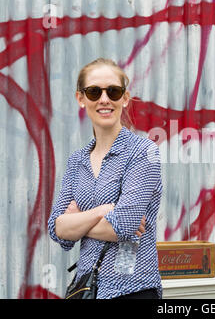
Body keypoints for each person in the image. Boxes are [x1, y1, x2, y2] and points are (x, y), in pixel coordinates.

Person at [48, 58, 163, 299]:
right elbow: (57, 229)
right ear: (81, 99)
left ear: (125, 98)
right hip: (87, 289)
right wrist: (104, 210)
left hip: (133, 290)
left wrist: (75, 223)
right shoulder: (76, 161)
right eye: (93, 92)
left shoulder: (143, 152)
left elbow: (123, 226)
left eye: (113, 91)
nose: (104, 99)